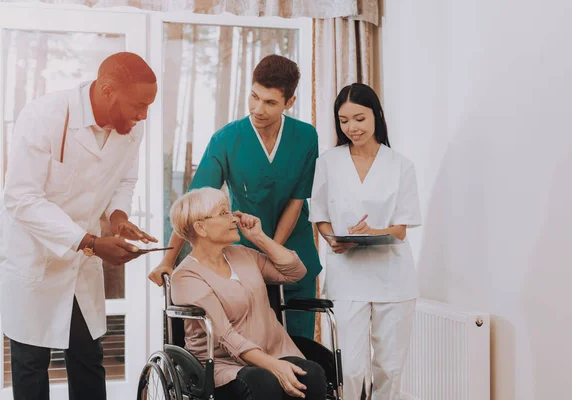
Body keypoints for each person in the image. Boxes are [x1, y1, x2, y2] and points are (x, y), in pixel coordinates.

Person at [0, 52, 158, 400]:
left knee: (87, 355)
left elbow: (125, 179)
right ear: (108, 90)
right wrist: (92, 243)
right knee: (31, 362)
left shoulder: (132, 128)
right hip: (33, 253)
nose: (143, 115)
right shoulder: (45, 116)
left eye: (148, 107)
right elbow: (21, 198)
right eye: (138, 105)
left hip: (80, 258)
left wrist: (119, 217)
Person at [150, 54, 322, 340]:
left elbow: (296, 201)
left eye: (270, 102)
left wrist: (271, 250)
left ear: (289, 103)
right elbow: (193, 204)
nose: (258, 108)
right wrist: (168, 260)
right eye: (254, 97)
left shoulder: (306, 137)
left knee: (299, 345)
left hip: (293, 252)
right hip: (243, 262)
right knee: (253, 344)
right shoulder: (226, 139)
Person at [309, 83, 422, 400]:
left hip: (392, 279)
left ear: (376, 115)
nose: (352, 128)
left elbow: (401, 228)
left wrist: (373, 234)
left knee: (389, 369)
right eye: (344, 120)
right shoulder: (328, 162)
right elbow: (319, 214)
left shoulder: (400, 165)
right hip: (348, 277)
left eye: (359, 118)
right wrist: (332, 239)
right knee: (352, 369)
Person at [169, 187, 327, 400]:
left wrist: (259, 237)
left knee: (312, 374)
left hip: (274, 351)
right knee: (263, 382)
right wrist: (274, 367)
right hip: (221, 364)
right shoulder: (186, 276)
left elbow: (295, 272)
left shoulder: (243, 255)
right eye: (224, 213)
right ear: (201, 228)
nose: (233, 218)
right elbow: (224, 334)